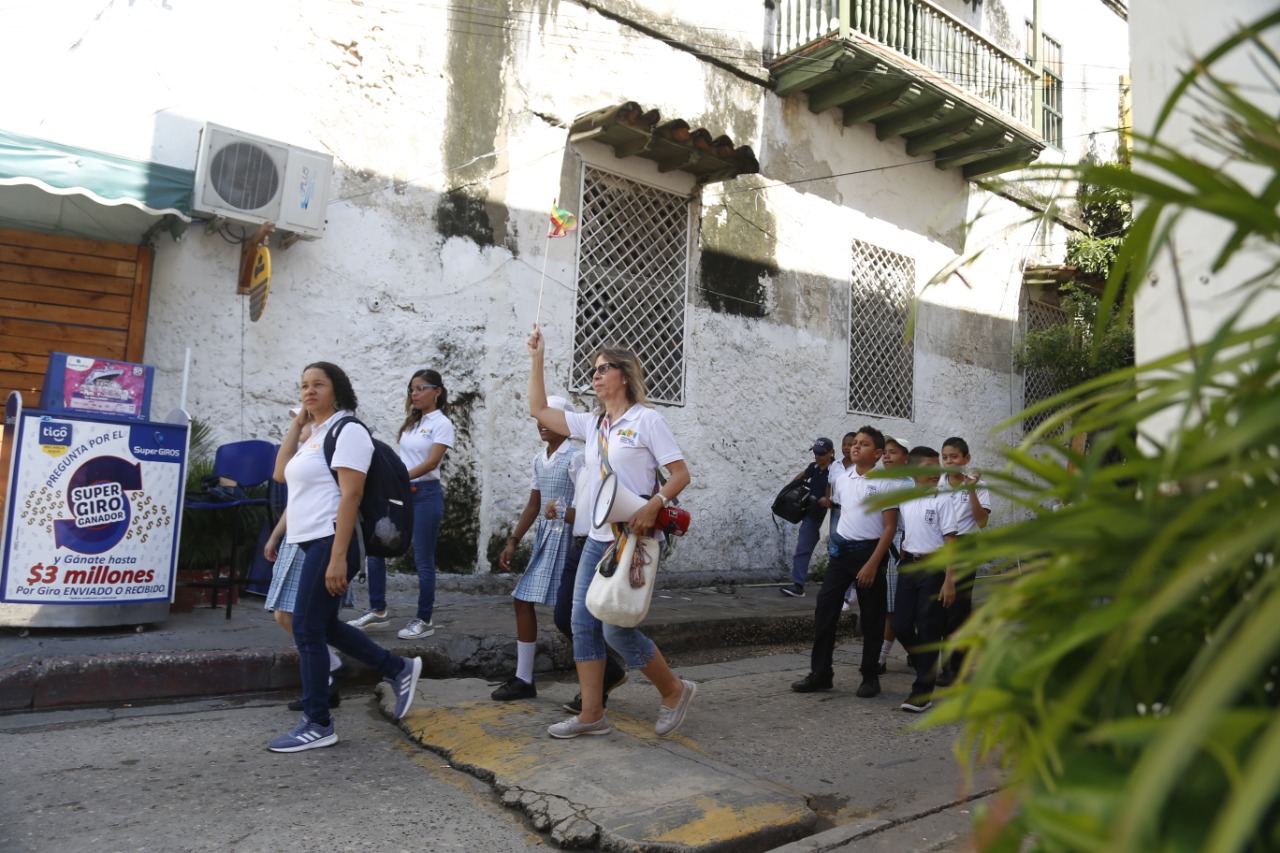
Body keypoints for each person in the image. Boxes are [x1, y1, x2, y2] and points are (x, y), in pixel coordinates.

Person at [527, 324, 694, 739]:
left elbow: (680, 474)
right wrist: (537, 359)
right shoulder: (593, 424)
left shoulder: (647, 420)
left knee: (615, 626)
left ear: (624, 374)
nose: (596, 376)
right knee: (581, 622)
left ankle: (674, 690)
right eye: (593, 370)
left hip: (633, 537)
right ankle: (591, 714)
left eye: (603, 369)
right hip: (597, 537)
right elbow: (540, 411)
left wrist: (654, 505)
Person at [266, 361, 422, 753]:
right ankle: (397, 668)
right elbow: (281, 473)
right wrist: (297, 423)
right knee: (324, 627)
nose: (309, 391)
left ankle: (318, 722)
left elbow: (351, 495)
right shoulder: (316, 434)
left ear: (338, 390)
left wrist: (339, 558)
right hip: (310, 542)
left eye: (318, 384)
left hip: (332, 542)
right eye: (303, 386)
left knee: (305, 629)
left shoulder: (347, 430)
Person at [346, 369, 454, 641]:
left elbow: (431, 463)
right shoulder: (412, 423)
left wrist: (397, 478)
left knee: (423, 559)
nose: (415, 394)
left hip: (425, 493)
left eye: (421, 388)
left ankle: (424, 618)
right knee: (377, 548)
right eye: (411, 389)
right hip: (400, 493)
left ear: (437, 391)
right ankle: (378, 610)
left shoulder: (442, 423)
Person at [792, 425, 898, 699]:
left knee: (872, 617)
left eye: (863, 444)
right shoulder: (843, 478)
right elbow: (841, 513)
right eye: (855, 443)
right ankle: (821, 673)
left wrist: (873, 564)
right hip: (842, 554)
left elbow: (889, 528)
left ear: (876, 453)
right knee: (825, 609)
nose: (856, 446)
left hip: (870, 554)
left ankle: (870, 676)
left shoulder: (886, 483)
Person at [492, 396, 583, 701]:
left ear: (566, 423)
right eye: (539, 418)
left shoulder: (576, 457)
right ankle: (523, 678)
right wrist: (513, 541)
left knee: (572, 614)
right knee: (522, 600)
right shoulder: (538, 459)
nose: (542, 423)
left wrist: (562, 511)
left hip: (570, 539)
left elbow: (586, 508)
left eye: (550, 417)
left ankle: (598, 677)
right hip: (547, 538)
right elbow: (535, 504)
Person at [555, 461, 629, 715]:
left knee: (593, 623)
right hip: (579, 546)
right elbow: (582, 513)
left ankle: (594, 701)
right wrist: (560, 512)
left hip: (602, 546)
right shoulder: (580, 462)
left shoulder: (612, 457)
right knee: (564, 616)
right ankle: (609, 673)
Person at [891, 446, 958, 713]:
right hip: (909, 567)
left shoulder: (942, 499)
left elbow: (951, 542)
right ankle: (925, 668)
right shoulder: (905, 498)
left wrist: (949, 579)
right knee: (901, 625)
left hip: (934, 569)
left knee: (929, 629)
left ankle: (922, 693)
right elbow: (904, 531)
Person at [263, 508, 343, 710]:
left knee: (292, 617)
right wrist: (275, 537)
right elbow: (295, 498)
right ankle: (325, 686)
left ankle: (331, 671)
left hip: (314, 536)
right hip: (300, 536)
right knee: (307, 620)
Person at [936, 436, 990, 686]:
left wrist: (970, 491)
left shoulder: (979, 485)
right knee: (939, 609)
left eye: (954, 457)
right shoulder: (937, 484)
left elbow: (981, 521)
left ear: (966, 459)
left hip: (966, 547)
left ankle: (954, 668)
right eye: (945, 457)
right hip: (939, 546)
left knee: (957, 609)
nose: (949, 461)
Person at [780, 437, 835, 598]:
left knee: (835, 553)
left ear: (831, 453)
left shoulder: (836, 469)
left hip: (830, 517)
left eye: (821, 454)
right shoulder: (814, 467)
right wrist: (789, 490)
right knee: (802, 549)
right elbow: (802, 475)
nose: (818, 456)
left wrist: (829, 500)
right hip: (812, 514)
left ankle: (841, 591)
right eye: (815, 453)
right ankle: (798, 585)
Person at [875, 436, 913, 672]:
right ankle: (913, 649)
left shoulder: (909, 484)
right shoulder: (877, 481)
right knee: (885, 605)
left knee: (894, 606)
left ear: (906, 458)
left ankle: (881, 657)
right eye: (886, 452)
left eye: (894, 452)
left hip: (898, 546)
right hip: (876, 545)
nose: (888, 456)